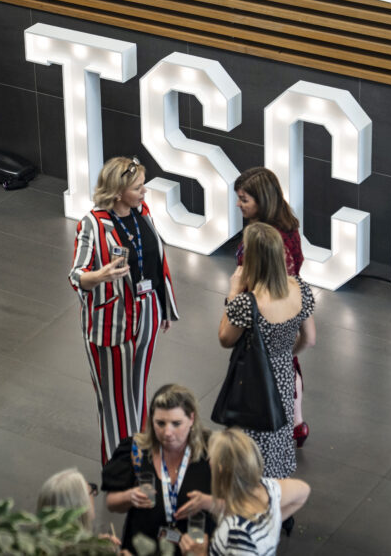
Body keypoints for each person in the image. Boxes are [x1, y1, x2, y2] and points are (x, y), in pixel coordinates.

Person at [69, 156, 179, 464]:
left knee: (136, 392)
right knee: (116, 401)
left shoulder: (142, 211)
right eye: (137, 187)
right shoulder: (92, 223)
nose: (145, 192)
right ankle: (120, 470)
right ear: (118, 192)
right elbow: (76, 275)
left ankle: (139, 456)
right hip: (111, 324)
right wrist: (99, 275)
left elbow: (156, 260)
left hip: (147, 314)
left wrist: (164, 306)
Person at [219, 223, 315, 479]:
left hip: (251, 384)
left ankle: (249, 496)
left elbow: (225, 339)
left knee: (249, 444)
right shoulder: (300, 290)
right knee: (278, 436)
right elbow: (310, 339)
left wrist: (232, 292)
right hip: (283, 377)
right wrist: (284, 354)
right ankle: (275, 498)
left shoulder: (246, 303)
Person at [232, 167, 309, 447]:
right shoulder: (286, 223)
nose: (238, 204)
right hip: (287, 306)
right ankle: (295, 425)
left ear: (262, 200)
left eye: (244, 199)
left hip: (265, 311)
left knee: (264, 372)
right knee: (289, 365)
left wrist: (237, 294)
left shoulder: (263, 236)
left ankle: (274, 427)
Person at [103, 384, 215, 553]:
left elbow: (239, 506)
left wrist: (208, 502)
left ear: (191, 419)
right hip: (142, 548)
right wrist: (129, 496)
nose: (167, 432)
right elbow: (111, 503)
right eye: (160, 423)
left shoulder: (212, 452)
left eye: (176, 423)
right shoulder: (136, 450)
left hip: (193, 550)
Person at [179, 428, 309, 556]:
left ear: (220, 468)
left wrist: (200, 553)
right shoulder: (268, 487)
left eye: (211, 457)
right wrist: (271, 524)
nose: (208, 461)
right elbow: (304, 491)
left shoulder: (236, 533)